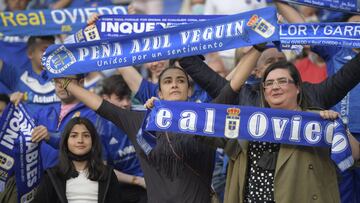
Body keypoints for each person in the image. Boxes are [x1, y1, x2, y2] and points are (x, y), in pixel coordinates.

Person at [56, 66, 218, 203]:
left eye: (181, 81)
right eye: (168, 81)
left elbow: (230, 87)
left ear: (189, 90)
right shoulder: (140, 121)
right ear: (159, 93)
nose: (174, 85)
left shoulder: (206, 118)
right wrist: (66, 83)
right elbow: (101, 106)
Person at [221, 60, 357, 202]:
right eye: (269, 83)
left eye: (282, 81)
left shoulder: (317, 121)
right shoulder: (248, 122)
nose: (275, 87)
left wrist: (338, 127)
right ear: (264, 92)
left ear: (298, 88)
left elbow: (355, 155)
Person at [33, 117, 122, 203]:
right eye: (74, 136)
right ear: (66, 141)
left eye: (86, 135)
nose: (80, 140)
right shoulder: (52, 176)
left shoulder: (107, 174)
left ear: (93, 141)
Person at [99, 74, 147, 203]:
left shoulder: (144, 115)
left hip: (153, 183)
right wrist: (137, 181)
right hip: (124, 189)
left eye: (128, 98)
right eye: (120, 98)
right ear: (106, 98)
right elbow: (103, 170)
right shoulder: (100, 129)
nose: (125, 103)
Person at [0, 36, 59, 117]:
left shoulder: (65, 78)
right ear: (30, 53)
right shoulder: (17, 76)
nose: (50, 54)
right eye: (44, 50)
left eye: (53, 50)